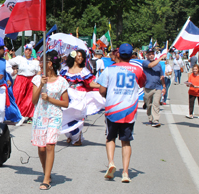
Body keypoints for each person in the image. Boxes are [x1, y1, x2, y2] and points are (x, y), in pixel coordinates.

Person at [98, 43, 146, 183]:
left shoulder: (109, 69)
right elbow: (142, 83)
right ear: (131, 56)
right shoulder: (137, 69)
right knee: (126, 141)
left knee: (110, 138)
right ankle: (125, 172)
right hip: (129, 109)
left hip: (112, 108)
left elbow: (101, 90)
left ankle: (111, 162)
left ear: (118, 54)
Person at [31, 50, 69, 190]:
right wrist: (41, 85)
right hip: (40, 116)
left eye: (43, 62)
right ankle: (46, 170)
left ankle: (46, 179)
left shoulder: (62, 82)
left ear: (50, 64)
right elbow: (33, 101)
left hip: (54, 116)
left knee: (50, 145)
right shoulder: (37, 79)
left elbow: (65, 103)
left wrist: (51, 99)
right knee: (41, 149)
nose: (40, 64)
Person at [60, 49, 102, 145]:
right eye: (78, 56)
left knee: (77, 117)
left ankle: (77, 138)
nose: (80, 58)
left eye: (82, 57)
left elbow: (91, 84)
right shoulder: (65, 69)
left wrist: (103, 86)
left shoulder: (84, 71)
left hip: (79, 96)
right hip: (67, 96)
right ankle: (71, 135)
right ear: (74, 56)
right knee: (65, 116)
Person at [8, 44, 40, 125]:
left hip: (31, 80)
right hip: (20, 79)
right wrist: (6, 53)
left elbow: (39, 71)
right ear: (24, 50)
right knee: (16, 96)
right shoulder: (20, 59)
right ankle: (15, 114)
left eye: (30, 50)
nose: (28, 51)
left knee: (30, 98)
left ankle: (29, 115)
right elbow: (9, 62)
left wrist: (37, 78)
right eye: (26, 49)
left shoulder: (35, 62)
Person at [142, 48, 166, 127]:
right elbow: (151, 65)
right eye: (149, 54)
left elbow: (161, 76)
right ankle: (150, 118)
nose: (151, 55)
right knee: (149, 104)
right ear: (147, 55)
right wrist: (161, 58)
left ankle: (156, 120)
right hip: (148, 87)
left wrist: (164, 87)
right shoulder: (145, 63)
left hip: (157, 87)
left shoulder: (158, 65)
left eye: (152, 54)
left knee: (156, 104)